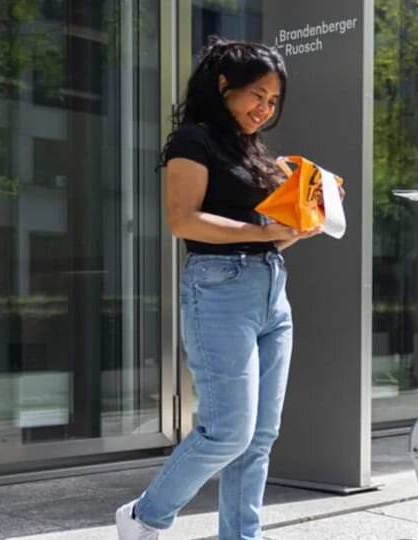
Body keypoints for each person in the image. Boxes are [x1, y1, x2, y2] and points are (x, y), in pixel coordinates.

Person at [115, 37, 316, 540]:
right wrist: (263, 233)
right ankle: (144, 516)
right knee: (228, 430)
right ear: (224, 85)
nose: (264, 110)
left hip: (270, 288)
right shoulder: (193, 139)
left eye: (273, 103)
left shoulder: (251, 149)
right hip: (219, 290)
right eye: (257, 96)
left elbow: (259, 236)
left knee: (259, 437)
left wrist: (293, 228)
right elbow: (183, 220)